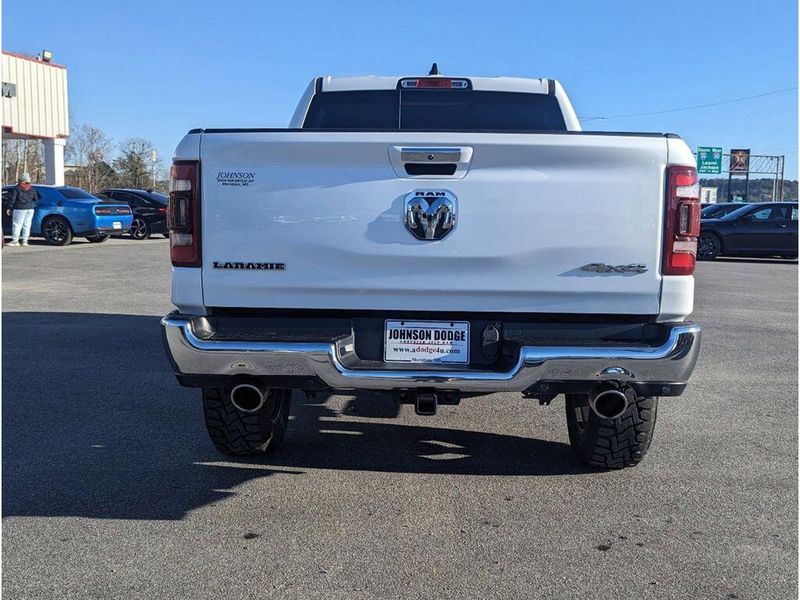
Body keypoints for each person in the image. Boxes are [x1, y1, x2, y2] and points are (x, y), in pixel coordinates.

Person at [5, 173, 40, 246]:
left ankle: (15, 241)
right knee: (27, 225)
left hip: (19, 208)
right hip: (30, 209)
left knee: (17, 224)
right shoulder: (32, 188)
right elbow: (36, 198)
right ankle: (25, 241)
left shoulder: (17, 188)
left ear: (21, 180)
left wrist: (9, 207)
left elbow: (12, 199)